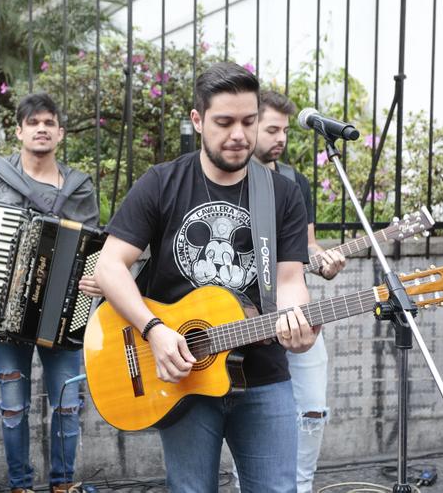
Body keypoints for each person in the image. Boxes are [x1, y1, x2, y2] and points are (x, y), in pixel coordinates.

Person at [93, 61, 318, 493]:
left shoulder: (282, 194)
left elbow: (289, 279)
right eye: (224, 122)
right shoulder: (162, 183)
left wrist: (297, 319)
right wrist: (154, 330)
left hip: (263, 374)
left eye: (249, 121)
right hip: (184, 374)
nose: (239, 134)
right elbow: (109, 265)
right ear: (198, 121)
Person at [0, 93, 100, 493]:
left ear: (60, 133)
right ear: (18, 131)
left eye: (49, 122)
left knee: (68, 405)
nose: (41, 128)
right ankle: (20, 485)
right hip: (1, 313)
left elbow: (91, 250)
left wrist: (94, 281)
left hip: (62, 317)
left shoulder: (79, 188)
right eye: (33, 122)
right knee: (13, 406)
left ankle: (62, 485)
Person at [254, 89, 346, 493]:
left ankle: (301, 487)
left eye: (285, 131)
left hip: (296, 311)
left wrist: (324, 259)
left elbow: (306, 244)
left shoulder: (294, 182)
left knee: (312, 410)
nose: (281, 139)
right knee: (251, 417)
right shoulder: (228, 180)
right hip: (246, 319)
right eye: (272, 129)